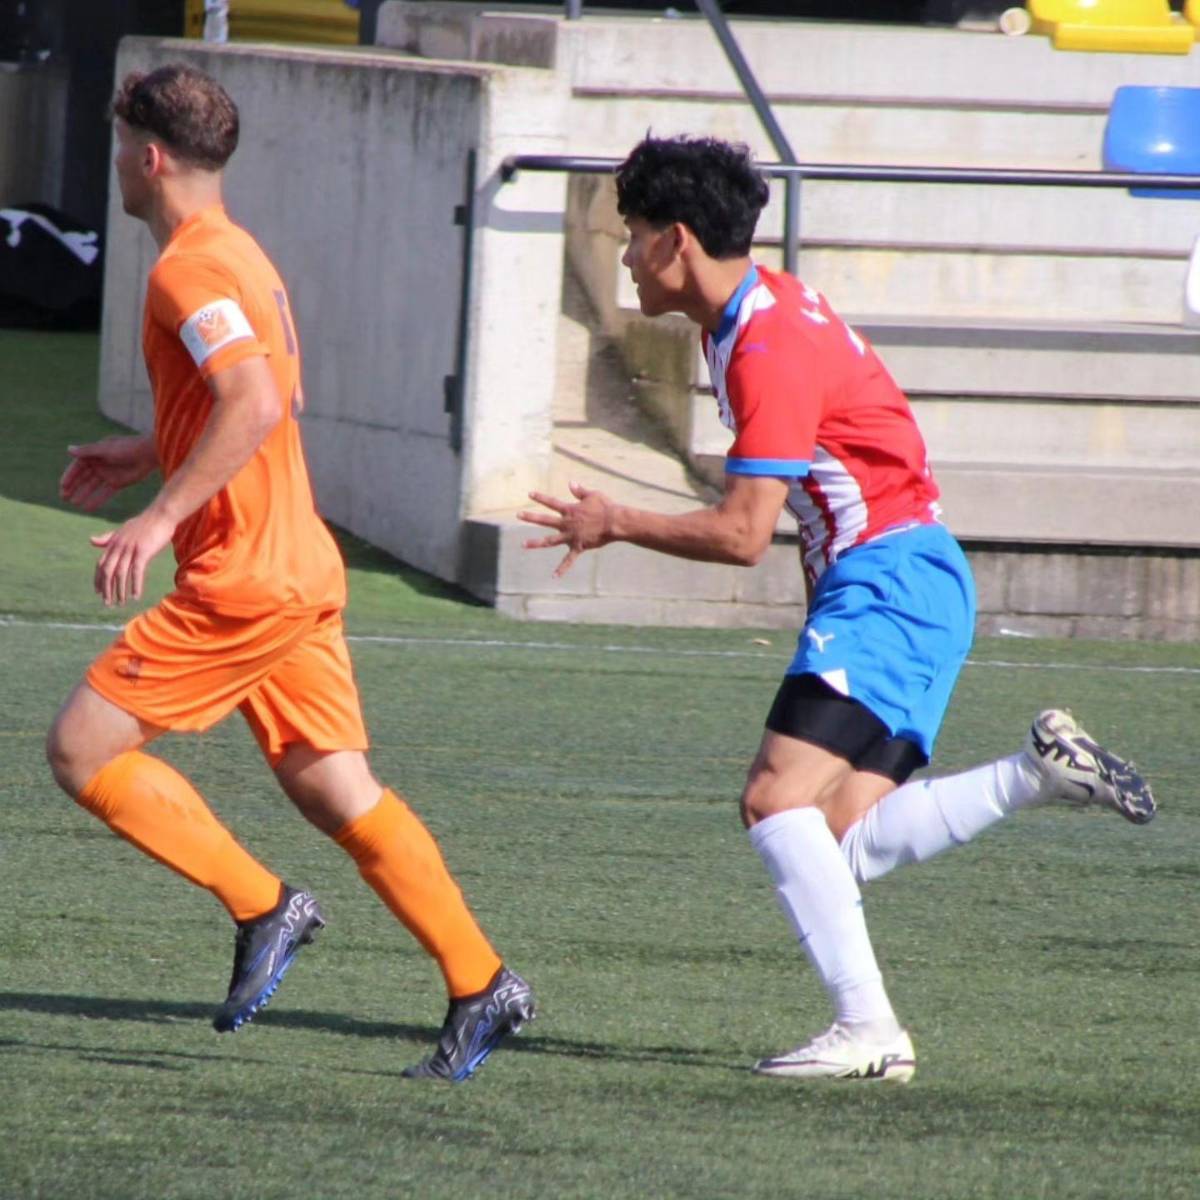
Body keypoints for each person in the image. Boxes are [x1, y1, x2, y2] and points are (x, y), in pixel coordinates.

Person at [520, 135, 1155, 1083]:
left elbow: (742, 533)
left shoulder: (766, 345)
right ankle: (1035, 776)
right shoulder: (754, 312)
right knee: (836, 839)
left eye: (634, 232)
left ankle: (870, 1030)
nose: (622, 253)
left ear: (677, 241)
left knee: (773, 800)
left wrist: (616, 519)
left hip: (889, 583)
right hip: (915, 585)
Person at [45, 62, 533, 1083]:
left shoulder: (187, 267)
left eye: (113, 137)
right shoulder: (239, 254)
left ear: (148, 155)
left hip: (246, 574)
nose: (113, 161)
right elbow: (261, 396)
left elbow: (256, 405)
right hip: (298, 560)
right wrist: (149, 449)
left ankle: (266, 905)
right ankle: (481, 979)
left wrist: (159, 517)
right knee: (336, 790)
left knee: (83, 749)